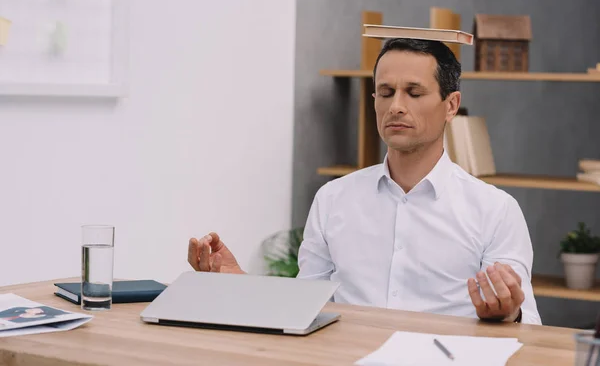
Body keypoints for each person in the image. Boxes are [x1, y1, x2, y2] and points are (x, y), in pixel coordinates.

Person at [188, 38, 541, 325]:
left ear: (451, 106)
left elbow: (527, 325)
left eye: (413, 93)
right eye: (385, 93)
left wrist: (509, 311)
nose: (396, 107)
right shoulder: (333, 199)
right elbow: (304, 308)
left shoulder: (495, 210)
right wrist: (238, 284)